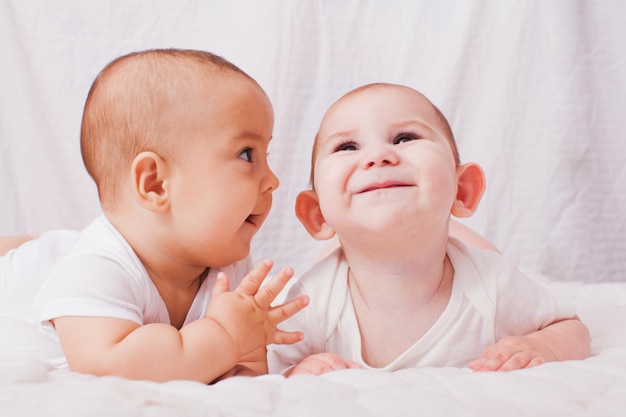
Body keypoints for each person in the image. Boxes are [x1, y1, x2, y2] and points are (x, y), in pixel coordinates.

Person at [0, 48, 312, 384]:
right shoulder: (96, 270)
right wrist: (224, 333)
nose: (273, 180)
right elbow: (108, 367)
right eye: (247, 154)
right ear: (156, 183)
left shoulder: (228, 268)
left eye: (267, 154)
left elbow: (234, 370)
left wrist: (264, 361)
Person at [267, 83, 591, 376]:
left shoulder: (492, 283)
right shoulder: (310, 300)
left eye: (405, 138)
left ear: (462, 190)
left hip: (469, 254)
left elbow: (570, 328)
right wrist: (298, 371)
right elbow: (263, 368)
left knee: (478, 251)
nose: (378, 156)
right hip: (334, 264)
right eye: (347, 147)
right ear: (318, 214)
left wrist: (545, 346)